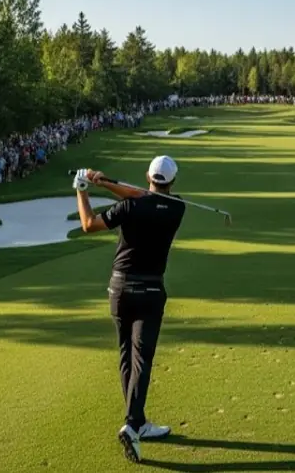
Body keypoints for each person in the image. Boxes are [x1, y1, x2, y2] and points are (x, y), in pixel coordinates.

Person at [73, 155, 186, 464]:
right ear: (172, 181)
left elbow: (88, 225)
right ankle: (134, 424)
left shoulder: (130, 206)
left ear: (146, 175)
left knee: (127, 355)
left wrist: (84, 189)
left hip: (119, 289)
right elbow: (143, 196)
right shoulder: (177, 208)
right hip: (150, 290)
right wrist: (105, 182)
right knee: (142, 359)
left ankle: (137, 420)